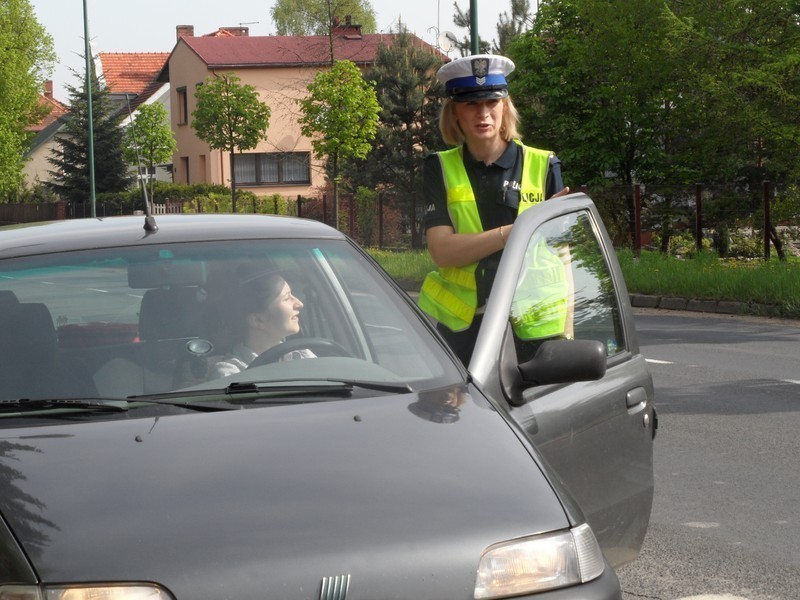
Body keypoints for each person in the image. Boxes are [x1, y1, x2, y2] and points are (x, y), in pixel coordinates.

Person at [418, 54, 572, 365]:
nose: (483, 113)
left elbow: (563, 257)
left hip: (534, 329)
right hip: (464, 330)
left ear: (505, 107)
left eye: (492, 102)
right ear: (455, 112)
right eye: (471, 104)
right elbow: (443, 252)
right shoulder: (439, 167)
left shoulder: (544, 166)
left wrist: (568, 332)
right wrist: (513, 233)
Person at [212, 271, 314, 377]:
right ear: (258, 320)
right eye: (287, 298)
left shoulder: (302, 355)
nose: (299, 303)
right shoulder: (230, 374)